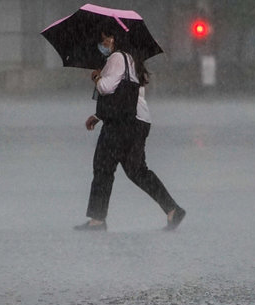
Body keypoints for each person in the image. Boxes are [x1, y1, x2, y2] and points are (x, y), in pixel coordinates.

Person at [74, 30, 186, 232]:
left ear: (117, 39)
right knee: (137, 171)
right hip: (138, 121)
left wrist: (97, 77)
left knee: (103, 167)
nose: (104, 42)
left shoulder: (117, 57)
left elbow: (107, 88)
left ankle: (97, 220)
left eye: (107, 38)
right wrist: (99, 116)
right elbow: (128, 96)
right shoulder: (133, 59)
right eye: (102, 39)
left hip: (120, 124)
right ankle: (172, 209)